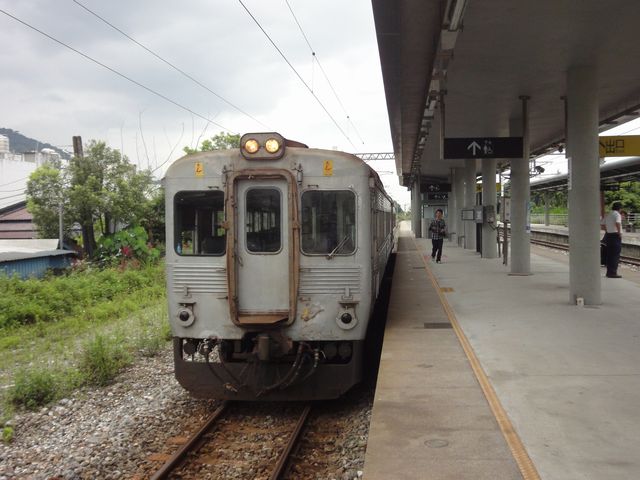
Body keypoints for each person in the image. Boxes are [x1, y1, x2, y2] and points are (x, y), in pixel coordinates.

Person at [601, 202, 623, 278]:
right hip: (615, 236)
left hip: (609, 236)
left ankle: (609, 272)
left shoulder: (608, 214)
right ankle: (613, 273)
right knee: (615, 255)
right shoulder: (617, 214)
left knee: (609, 254)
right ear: (620, 208)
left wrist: (607, 230)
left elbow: (602, 225)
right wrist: (619, 232)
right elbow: (618, 223)